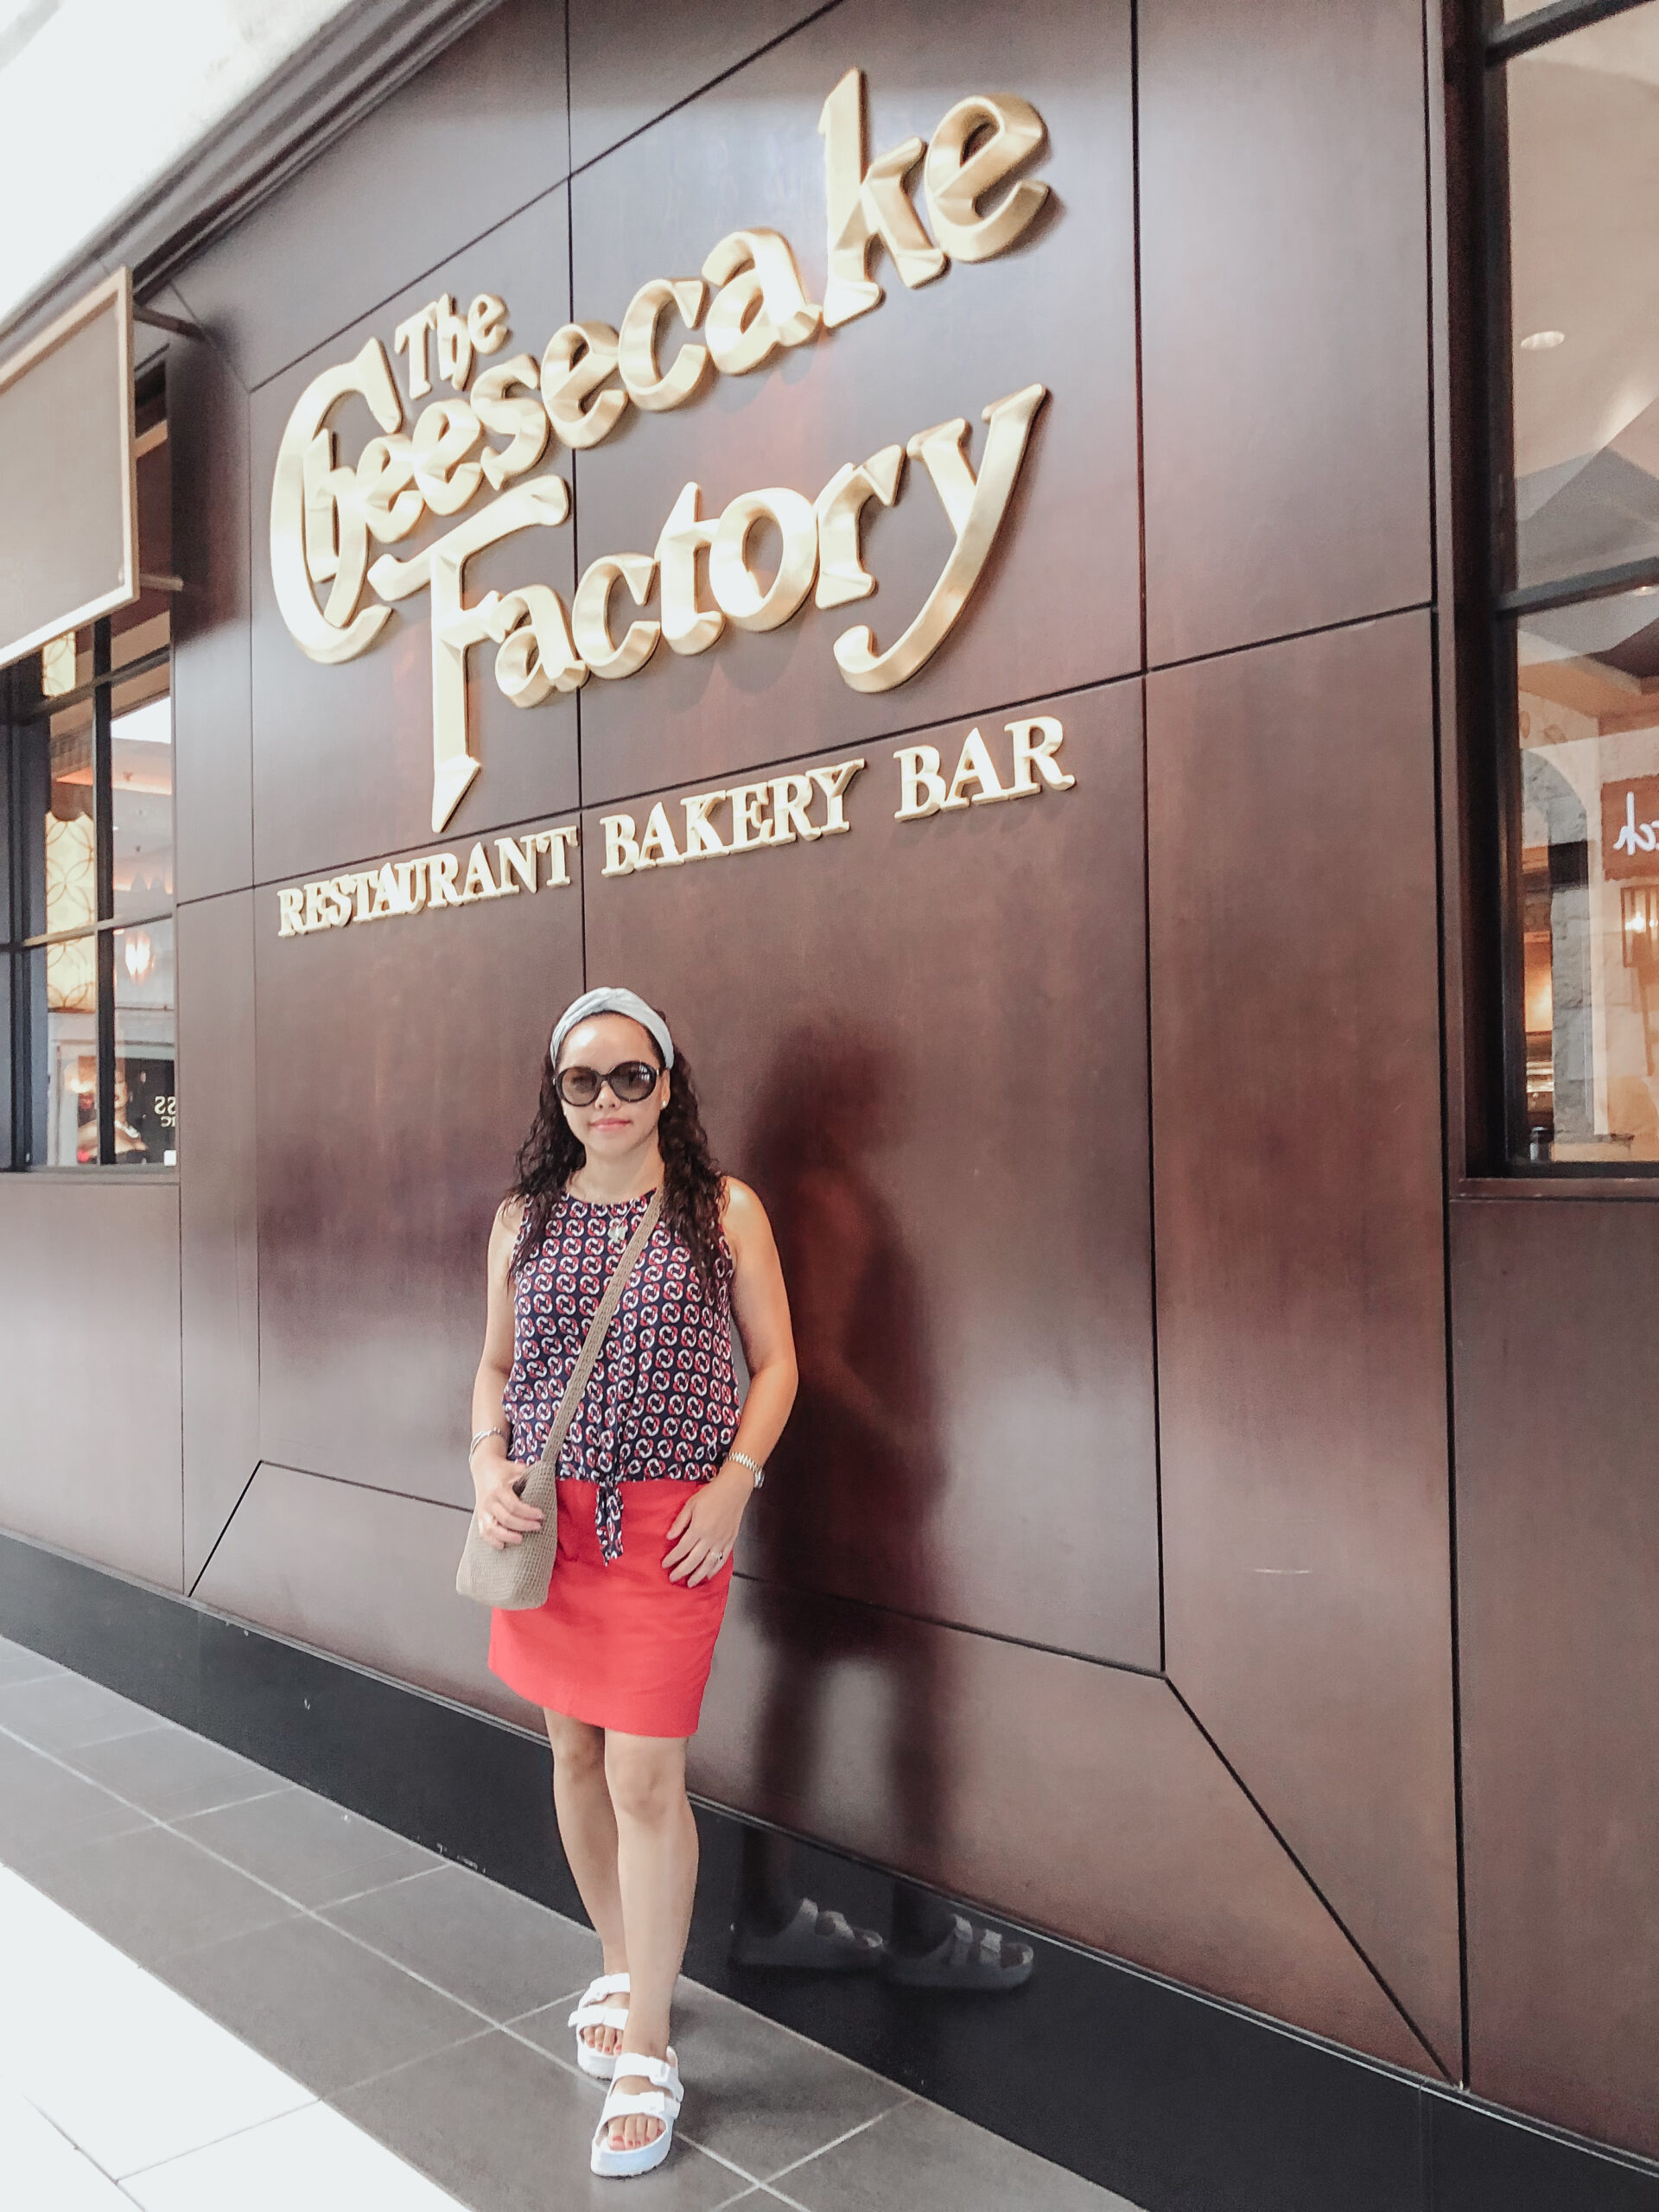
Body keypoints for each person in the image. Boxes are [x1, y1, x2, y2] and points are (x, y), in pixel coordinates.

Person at [468, 987, 797, 2179]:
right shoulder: (524, 1219)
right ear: (556, 1097)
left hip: (668, 1535)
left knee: (647, 1772)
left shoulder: (722, 1210)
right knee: (571, 1756)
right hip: (550, 1533)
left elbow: (780, 1364)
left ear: (668, 1083)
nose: (606, 1100)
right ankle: (621, 1962)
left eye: (630, 1077)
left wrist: (734, 1484)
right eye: (582, 1082)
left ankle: (651, 2046)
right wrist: (487, 1466)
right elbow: (498, 1369)